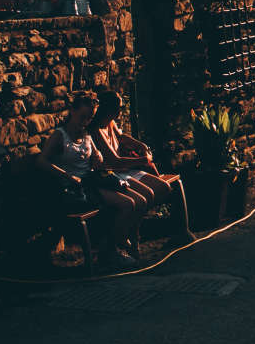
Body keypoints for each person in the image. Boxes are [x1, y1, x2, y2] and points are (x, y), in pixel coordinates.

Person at [40, 93, 141, 269]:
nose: (85, 121)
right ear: (72, 111)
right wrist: (66, 175)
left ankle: (113, 247)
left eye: (89, 118)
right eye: (82, 117)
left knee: (131, 201)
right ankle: (110, 252)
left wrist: (98, 157)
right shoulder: (60, 135)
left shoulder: (85, 133)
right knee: (126, 205)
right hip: (75, 188)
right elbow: (41, 161)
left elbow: (97, 157)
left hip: (91, 181)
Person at [91, 91, 190, 239]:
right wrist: (143, 160)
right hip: (114, 174)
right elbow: (114, 160)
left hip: (126, 170)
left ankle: (134, 226)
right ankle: (130, 235)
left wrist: (141, 145)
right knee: (146, 196)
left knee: (164, 188)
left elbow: (122, 137)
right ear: (108, 109)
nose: (120, 111)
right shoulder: (96, 130)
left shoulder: (110, 123)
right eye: (118, 107)